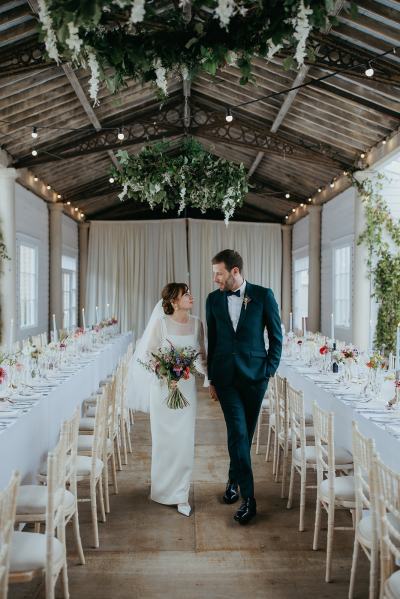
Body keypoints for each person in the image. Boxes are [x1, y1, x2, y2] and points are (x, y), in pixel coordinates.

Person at [206, 249, 282, 525]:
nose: (215, 278)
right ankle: (249, 499)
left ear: (234, 272)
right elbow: (212, 343)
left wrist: (269, 371)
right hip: (226, 378)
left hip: (255, 377)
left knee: (244, 435)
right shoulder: (213, 300)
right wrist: (211, 379)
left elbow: (276, 336)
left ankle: (232, 480)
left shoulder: (263, 295)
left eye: (219, 273)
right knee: (237, 431)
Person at [128, 283, 207, 517]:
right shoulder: (161, 324)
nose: (191, 297)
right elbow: (147, 356)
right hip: (163, 390)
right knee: (164, 442)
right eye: (186, 294)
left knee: (184, 441)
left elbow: (202, 356)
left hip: (186, 391)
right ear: (174, 301)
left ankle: (181, 494)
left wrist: (208, 378)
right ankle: (162, 490)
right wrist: (165, 369)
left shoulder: (197, 323)